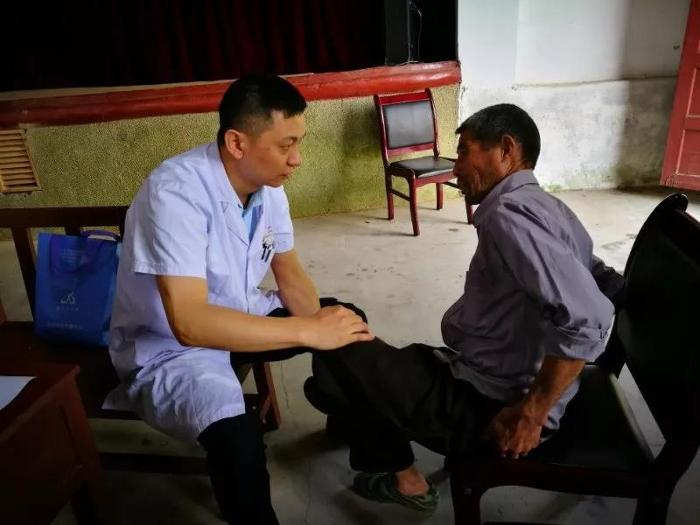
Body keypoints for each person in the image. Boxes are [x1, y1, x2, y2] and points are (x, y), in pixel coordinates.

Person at [305, 103, 625, 514]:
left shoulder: (508, 216)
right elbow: (598, 275)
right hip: (481, 373)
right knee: (353, 344)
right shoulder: (548, 206)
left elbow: (588, 317)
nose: (455, 169)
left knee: (333, 334)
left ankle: (404, 478)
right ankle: (340, 402)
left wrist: (531, 414)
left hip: (488, 404)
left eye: (464, 152)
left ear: (505, 149)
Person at [105, 74, 373, 525]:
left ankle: (347, 417)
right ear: (236, 143)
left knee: (348, 322)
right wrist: (306, 331)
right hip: (170, 347)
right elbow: (189, 322)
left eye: (299, 143)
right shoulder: (175, 192)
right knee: (239, 439)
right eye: (286, 145)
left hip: (241, 311)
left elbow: (290, 274)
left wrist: (324, 328)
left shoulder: (268, 186)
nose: (297, 158)